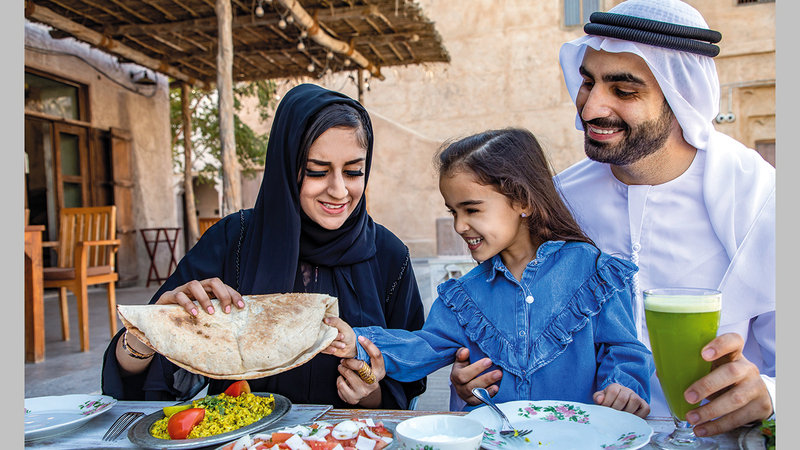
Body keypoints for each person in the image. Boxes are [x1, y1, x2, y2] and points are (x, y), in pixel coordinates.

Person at [449, 0, 775, 437]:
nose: (589, 109)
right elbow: (505, 314)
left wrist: (770, 394)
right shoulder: (558, 200)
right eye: (588, 83)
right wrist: (474, 376)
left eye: (623, 91)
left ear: (680, 98)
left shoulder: (760, 199)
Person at [101, 84, 427, 410]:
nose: (339, 190)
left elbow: (408, 381)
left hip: (348, 436)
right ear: (285, 166)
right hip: (242, 435)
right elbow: (137, 383)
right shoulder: (231, 241)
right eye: (317, 171)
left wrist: (369, 391)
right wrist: (149, 331)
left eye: (354, 171)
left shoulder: (389, 256)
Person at [324, 128, 655, 417]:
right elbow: (423, 347)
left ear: (523, 201)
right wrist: (357, 342)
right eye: (453, 212)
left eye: (471, 209)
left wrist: (623, 388)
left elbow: (624, 351)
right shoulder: (464, 297)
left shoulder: (594, 273)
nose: (459, 225)